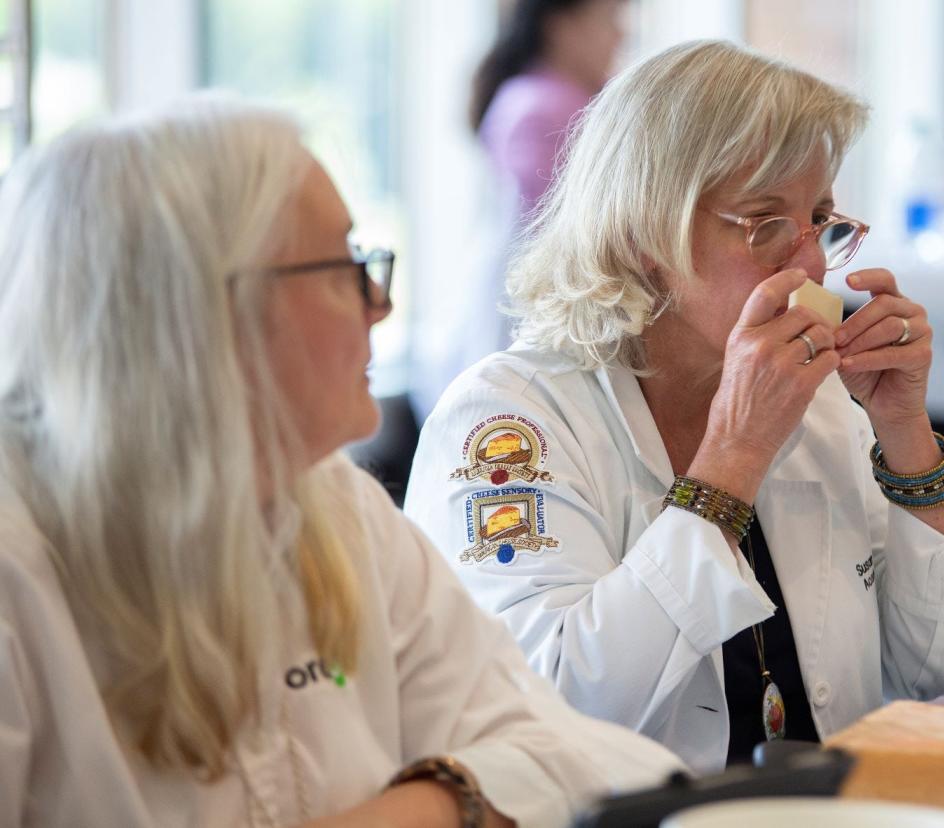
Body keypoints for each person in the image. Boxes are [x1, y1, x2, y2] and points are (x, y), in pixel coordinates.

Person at [0, 99, 681, 827]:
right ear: (208, 309)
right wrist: (465, 798)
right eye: (345, 267)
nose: (379, 303)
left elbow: (579, 756)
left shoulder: (332, 507)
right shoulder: (20, 567)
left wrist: (436, 800)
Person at [406, 40, 944, 774]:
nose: (813, 263)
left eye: (821, 216)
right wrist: (734, 459)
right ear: (641, 234)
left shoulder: (815, 402)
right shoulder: (508, 420)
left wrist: (906, 431)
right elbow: (552, 716)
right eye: (767, 224)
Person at [410, 0, 628, 421]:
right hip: (530, 309)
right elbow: (580, 228)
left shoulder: (552, 97)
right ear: (561, 27)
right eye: (611, 20)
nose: (621, 36)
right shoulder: (543, 106)